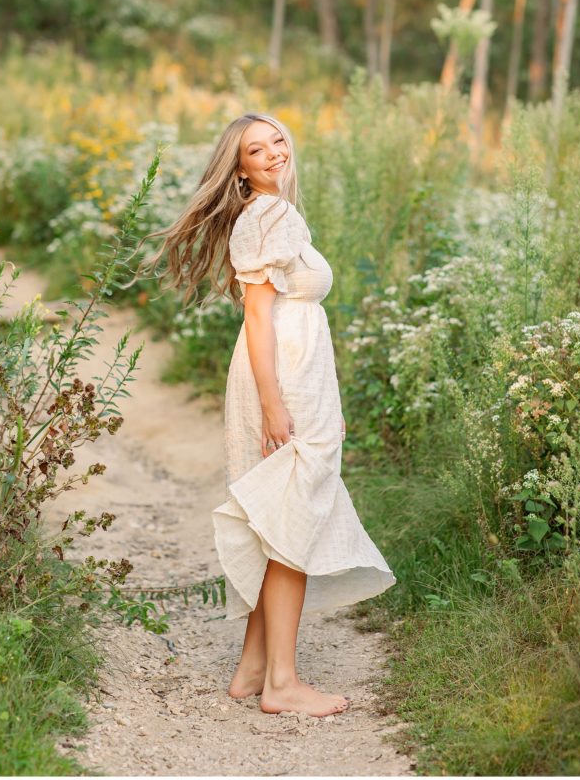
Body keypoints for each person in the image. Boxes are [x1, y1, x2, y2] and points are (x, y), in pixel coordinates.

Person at [126, 112, 397, 718]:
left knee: (281, 516)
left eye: (277, 139)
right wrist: (276, 407)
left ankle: (252, 669)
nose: (275, 152)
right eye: (257, 149)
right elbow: (257, 317)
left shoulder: (271, 212)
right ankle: (282, 683)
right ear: (240, 169)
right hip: (283, 379)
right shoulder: (270, 214)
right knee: (291, 523)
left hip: (288, 371)